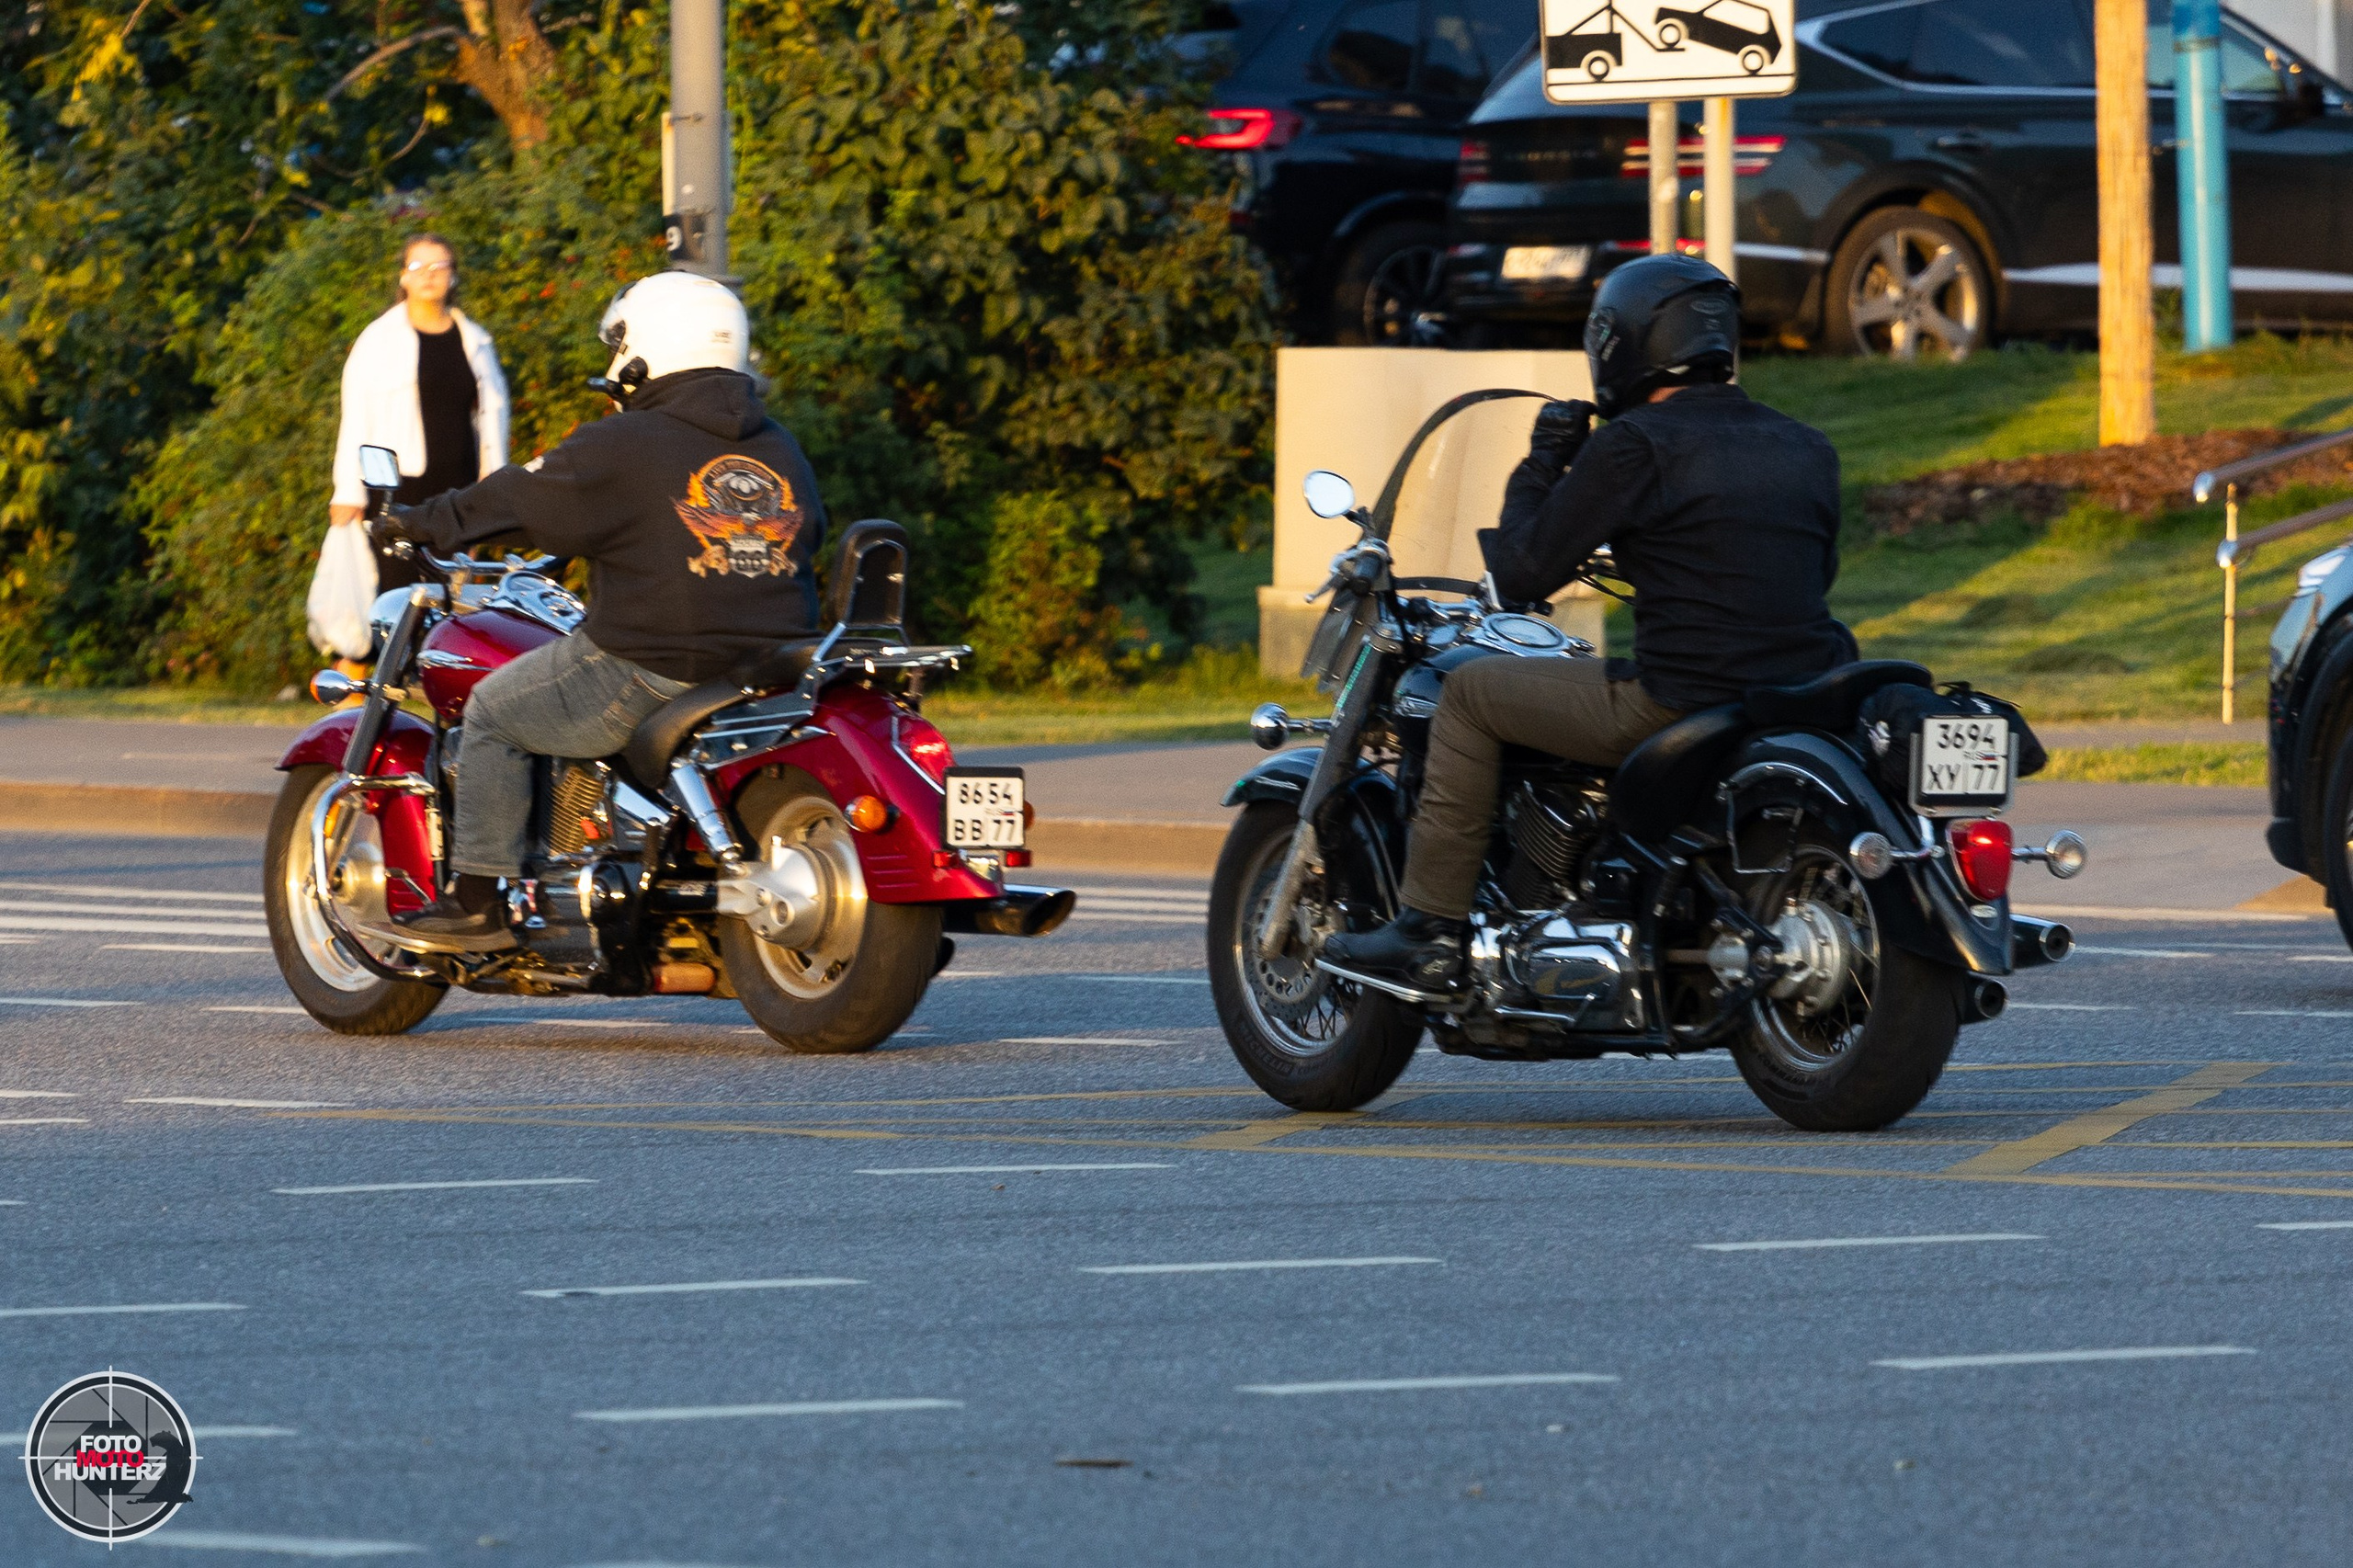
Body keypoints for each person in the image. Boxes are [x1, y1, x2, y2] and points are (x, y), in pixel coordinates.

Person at [1320, 254, 1855, 993]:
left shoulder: (1634, 443)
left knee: (1470, 695)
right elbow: (1803, 574)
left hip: (1677, 698)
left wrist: (1542, 466)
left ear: (1624, 342)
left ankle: (1429, 932)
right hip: (1802, 689)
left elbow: (1518, 576)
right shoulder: (1805, 445)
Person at [369, 270, 826, 937]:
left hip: (655, 662)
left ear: (650, 347)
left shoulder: (624, 441)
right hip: (770, 665)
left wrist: (420, 522)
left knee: (493, 707)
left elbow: (516, 500)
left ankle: (477, 900)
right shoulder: (779, 444)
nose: (617, 361)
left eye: (621, 344)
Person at [327, 233, 511, 602]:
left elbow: (493, 416)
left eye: (439, 266)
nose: (428, 275)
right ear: (403, 278)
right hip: (398, 489)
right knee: (397, 597)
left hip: (458, 490)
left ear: (453, 277)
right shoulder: (378, 340)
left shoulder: (475, 341)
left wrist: (493, 481)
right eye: (417, 267)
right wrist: (347, 490)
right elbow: (356, 417)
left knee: (449, 595)